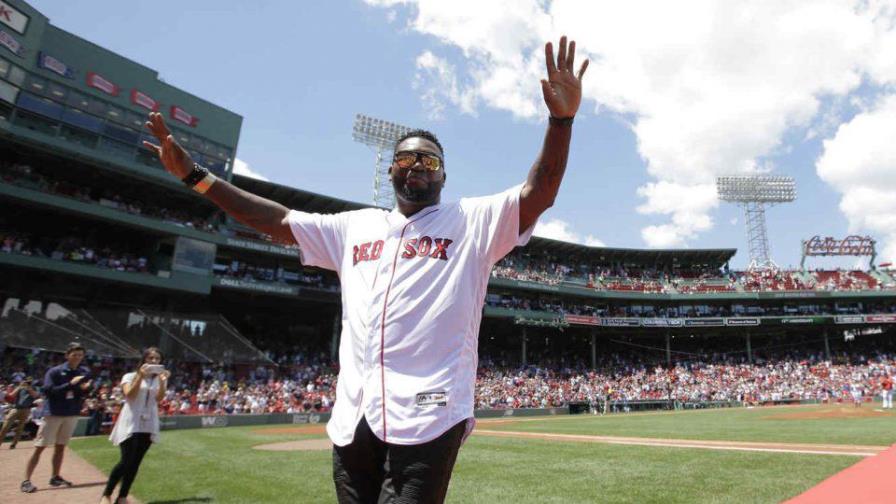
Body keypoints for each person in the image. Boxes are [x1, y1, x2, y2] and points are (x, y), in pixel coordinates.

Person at [143, 35, 587, 504]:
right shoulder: (353, 227)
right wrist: (198, 178)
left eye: (429, 159)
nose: (416, 164)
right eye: (405, 157)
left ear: (443, 176)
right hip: (355, 414)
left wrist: (561, 121)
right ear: (391, 171)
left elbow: (542, 188)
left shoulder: (473, 221)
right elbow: (275, 219)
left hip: (430, 413)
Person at [100, 347, 169, 504]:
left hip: (149, 422)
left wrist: (163, 383)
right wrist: (140, 376)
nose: (154, 361)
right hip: (131, 420)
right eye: (150, 358)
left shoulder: (160, 378)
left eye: (157, 359)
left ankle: (123, 496)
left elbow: (159, 399)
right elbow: (129, 394)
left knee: (136, 462)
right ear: (144, 360)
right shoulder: (130, 376)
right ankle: (107, 494)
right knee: (126, 461)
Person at [21, 342, 92, 494]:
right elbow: (48, 391)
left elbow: (81, 393)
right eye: (75, 354)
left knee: (61, 447)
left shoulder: (82, 372)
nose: (77, 358)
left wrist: (85, 389)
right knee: (40, 447)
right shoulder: (55, 371)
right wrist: (70, 384)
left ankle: (55, 476)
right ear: (67, 355)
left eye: (80, 355)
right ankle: (26, 480)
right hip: (53, 413)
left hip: (71, 413)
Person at [0, 376, 40, 448]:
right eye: (27, 381)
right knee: (5, 426)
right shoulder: (20, 388)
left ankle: (14, 444)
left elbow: (36, 395)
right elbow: (11, 395)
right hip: (16, 408)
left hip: (26, 409)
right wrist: (19, 387)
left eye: (29, 381)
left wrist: (29, 388)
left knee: (20, 428)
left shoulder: (34, 388)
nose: (28, 383)